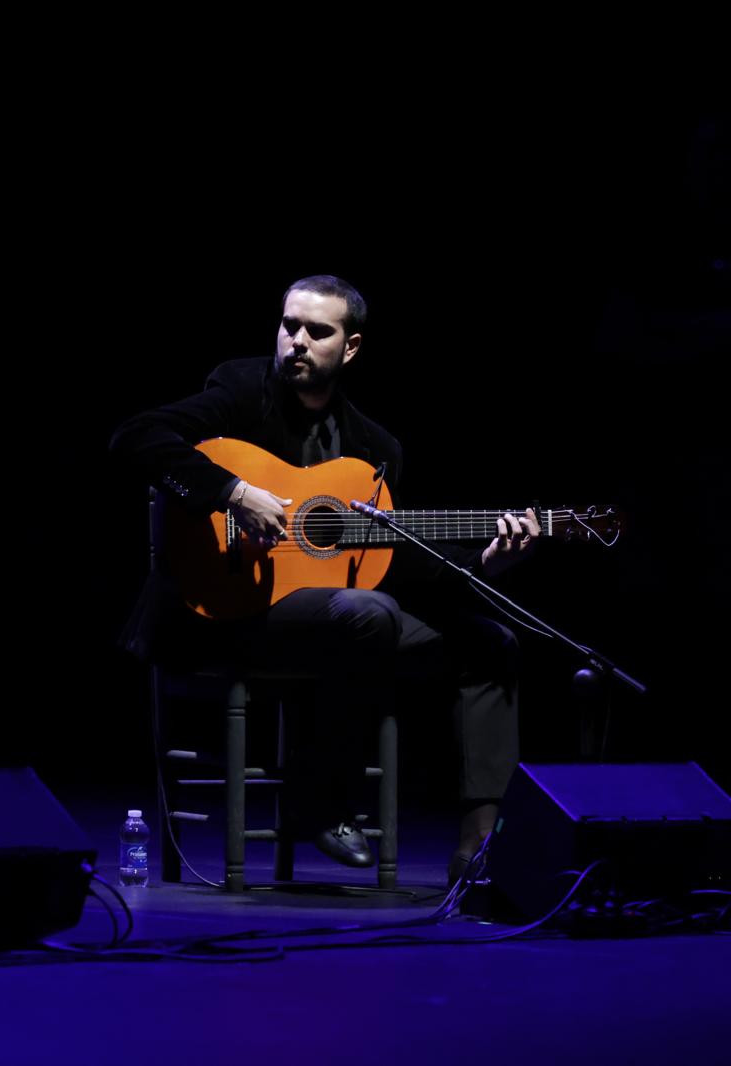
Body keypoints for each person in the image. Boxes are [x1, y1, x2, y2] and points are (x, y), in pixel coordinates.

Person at [109, 275, 537, 881]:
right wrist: (230, 491)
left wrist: (489, 565)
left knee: (490, 644)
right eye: (289, 326)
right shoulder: (237, 390)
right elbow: (134, 437)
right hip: (222, 614)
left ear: (351, 347)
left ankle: (481, 846)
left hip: (329, 623)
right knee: (368, 615)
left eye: (318, 331)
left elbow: (402, 563)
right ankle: (319, 800)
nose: (298, 342)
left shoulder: (374, 447)